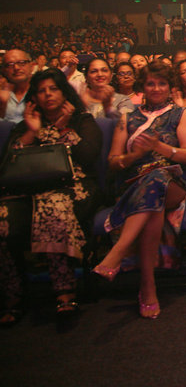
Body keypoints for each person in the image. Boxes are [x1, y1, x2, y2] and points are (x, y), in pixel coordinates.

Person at [92, 61, 186, 319]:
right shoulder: (128, 118)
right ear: (143, 87)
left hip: (173, 183)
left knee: (158, 177)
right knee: (153, 195)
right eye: (151, 83)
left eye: (162, 83)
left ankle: (118, 252)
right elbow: (114, 161)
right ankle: (147, 286)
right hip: (134, 185)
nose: (156, 88)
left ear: (170, 87)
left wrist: (161, 149)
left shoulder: (180, 114)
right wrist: (134, 155)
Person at [0, 69, 101, 325]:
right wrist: (32, 132)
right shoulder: (25, 125)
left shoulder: (81, 121)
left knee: (52, 206)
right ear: (34, 96)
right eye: (42, 91)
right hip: (28, 193)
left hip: (74, 188)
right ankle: (13, 295)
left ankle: (65, 293)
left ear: (64, 92)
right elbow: (9, 166)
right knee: (3, 218)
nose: (47, 95)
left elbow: (88, 158)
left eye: (53, 89)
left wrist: (62, 128)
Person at [0, 49, 34, 123]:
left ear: (32, 66)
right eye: (10, 64)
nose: (16, 68)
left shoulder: (41, 91)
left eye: (22, 63)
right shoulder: (2, 94)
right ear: (4, 70)